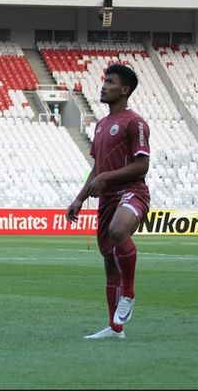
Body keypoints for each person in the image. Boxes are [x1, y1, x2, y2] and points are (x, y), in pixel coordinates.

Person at [67, 64, 150, 340]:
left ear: (124, 89)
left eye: (110, 82)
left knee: (118, 232)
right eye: (104, 81)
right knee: (108, 261)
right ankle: (115, 329)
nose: (103, 86)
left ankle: (129, 292)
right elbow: (97, 167)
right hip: (107, 198)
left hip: (132, 191)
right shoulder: (102, 125)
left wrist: (106, 177)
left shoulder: (134, 122)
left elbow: (142, 166)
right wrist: (80, 198)